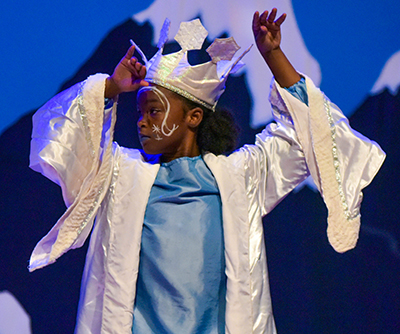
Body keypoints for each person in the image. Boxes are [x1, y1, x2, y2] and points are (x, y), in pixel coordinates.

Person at [28, 8, 385, 334]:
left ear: (193, 117)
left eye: (154, 111)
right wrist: (110, 87)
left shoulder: (239, 177)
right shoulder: (121, 172)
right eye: (139, 113)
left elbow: (307, 133)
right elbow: (65, 138)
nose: (142, 122)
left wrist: (273, 55)